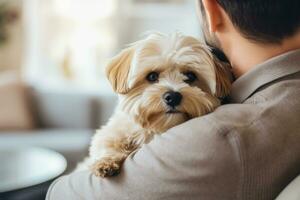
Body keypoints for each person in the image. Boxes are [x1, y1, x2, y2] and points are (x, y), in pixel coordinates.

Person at [46, 0, 300, 199]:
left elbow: (63, 194)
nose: (172, 90)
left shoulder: (219, 137)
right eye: (153, 76)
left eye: (189, 76)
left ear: (211, 10)